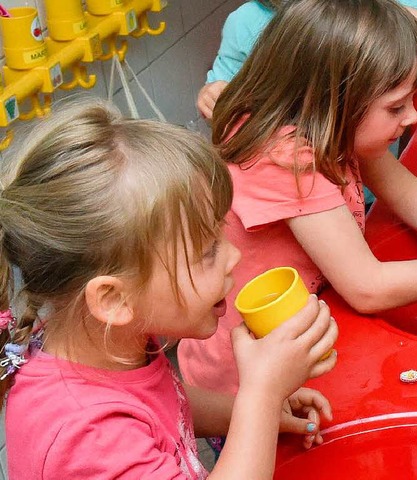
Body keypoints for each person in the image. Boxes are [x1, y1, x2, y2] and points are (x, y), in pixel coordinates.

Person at [178, 0, 417, 396]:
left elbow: (405, 191)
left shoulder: (330, 126)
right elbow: (367, 286)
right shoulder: (285, 159)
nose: (412, 117)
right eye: (395, 106)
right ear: (333, 100)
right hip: (244, 380)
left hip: (297, 342)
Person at [0, 100, 338, 479]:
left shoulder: (112, 343)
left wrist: (259, 411)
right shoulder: (89, 436)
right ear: (114, 299)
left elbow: (165, 404)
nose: (234, 257)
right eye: (207, 251)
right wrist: (260, 396)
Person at [196, 0, 417, 119]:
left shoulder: (377, 5)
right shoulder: (247, 22)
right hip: (292, 181)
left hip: (367, 181)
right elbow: (224, 98)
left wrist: (372, 9)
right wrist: (213, 97)